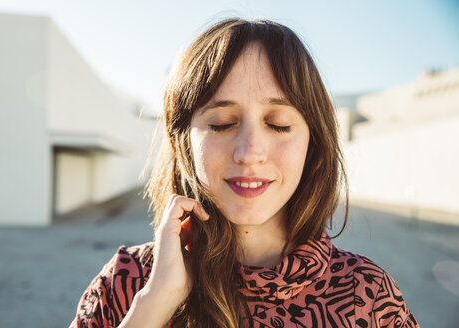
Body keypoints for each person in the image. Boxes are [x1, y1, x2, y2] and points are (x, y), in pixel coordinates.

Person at [70, 18, 419, 328]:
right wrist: (155, 303)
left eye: (278, 125)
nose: (250, 153)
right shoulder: (125, 283)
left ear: (313, 142)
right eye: (222, 124)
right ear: (183, 141)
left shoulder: (369, 296)